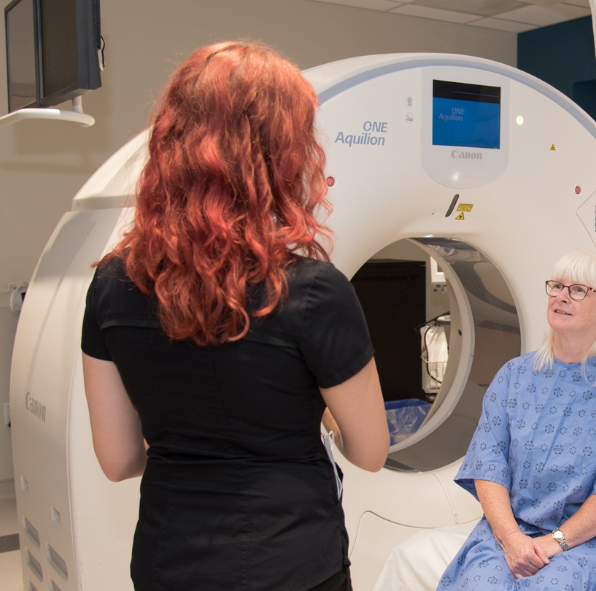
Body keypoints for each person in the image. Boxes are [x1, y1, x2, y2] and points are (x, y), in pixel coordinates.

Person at [80, 41, 389, 591]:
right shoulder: (312, 292)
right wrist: (318, 412)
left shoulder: (111, 285)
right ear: (282, 153)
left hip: (167, 558)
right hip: (290, 562)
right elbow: (369, 452)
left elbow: (118, 458)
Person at [437, 251, 596, 591]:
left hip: (593, 539)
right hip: (514, 530)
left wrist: (554, 542)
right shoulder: (514, 377)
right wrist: (511, 539)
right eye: (557, 286)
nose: (562, 295)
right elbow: (487, 467)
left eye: (579, 289)